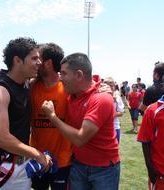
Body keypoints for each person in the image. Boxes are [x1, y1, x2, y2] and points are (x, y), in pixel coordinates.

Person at [0, 37, 52, 190]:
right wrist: (37, 154)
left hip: (20, 164)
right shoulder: (0, 90)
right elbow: (2, 139)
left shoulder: (25, 83)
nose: (39, 62)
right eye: (34, 58)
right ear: (18, 60)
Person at [41, 53, 120, 190]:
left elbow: (80, 139)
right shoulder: (72, 94)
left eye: (64, 74)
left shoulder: (101, 99)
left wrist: (52, 116)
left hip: (103, 170)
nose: (60, 79)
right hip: (78, 165)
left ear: (78, 75)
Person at [30, 43, 72, 190]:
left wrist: (102, 88)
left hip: (63, 160)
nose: (35, 63)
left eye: (38, 59)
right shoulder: (31, 86)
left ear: (47, 63)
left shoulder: (69, 88)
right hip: (37, 158)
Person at [137, 71, 164, 190]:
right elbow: (145, 141)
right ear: (162, 86)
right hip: (162, 174)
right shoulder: (152, 110)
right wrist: (150, 169)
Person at [104, 77, 124, 143]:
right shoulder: (99, 97)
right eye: (108, 85)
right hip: (102, 128)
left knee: (114, 149)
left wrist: (108, 115)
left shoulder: (118, 98)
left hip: (115, 127)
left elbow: (121, 113)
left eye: (112, 85)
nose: (110, 87)